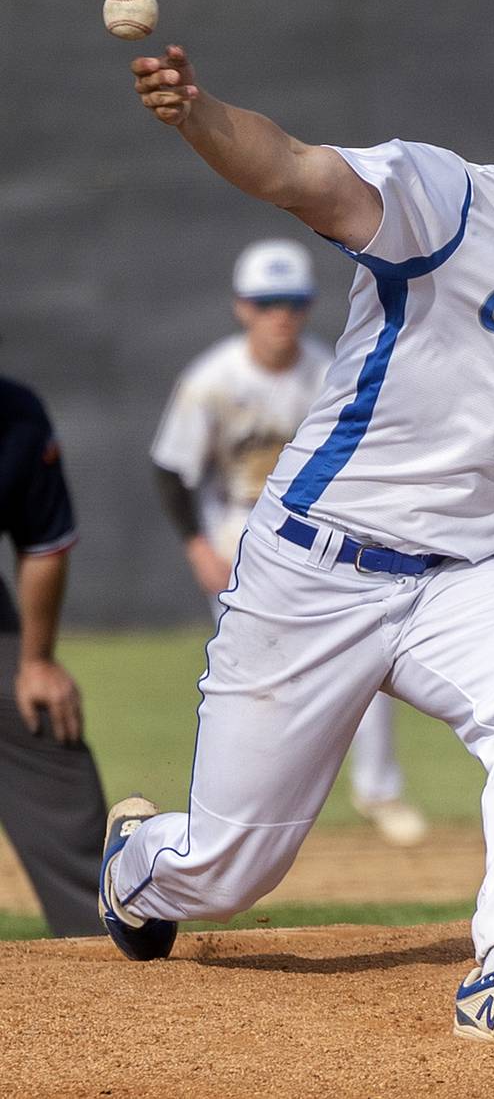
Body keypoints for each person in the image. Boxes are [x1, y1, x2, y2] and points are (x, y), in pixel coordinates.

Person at [99, 11, 494, 1041]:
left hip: (456, 577)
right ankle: (139, 868)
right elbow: (290, 170)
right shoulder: (440, 196)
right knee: (230, 871)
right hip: (312, 561)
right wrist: (195, 115)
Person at [150, 237, 427, 846]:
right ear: (242, 307)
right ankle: (237, 810)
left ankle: (379, 791)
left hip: (319, 527)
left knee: (365, 651)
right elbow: (172, 468)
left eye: (292, 302)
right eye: (266, 301)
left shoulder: (327, 372)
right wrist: (198, 546)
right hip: (238, 526)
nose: (281, 314)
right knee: (252, 672)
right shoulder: (212, 380)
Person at [0, 376, 106, 936]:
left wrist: (36, 661)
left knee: (40, 721)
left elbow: (42, 543)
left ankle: (99, 944)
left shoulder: (14, 417)